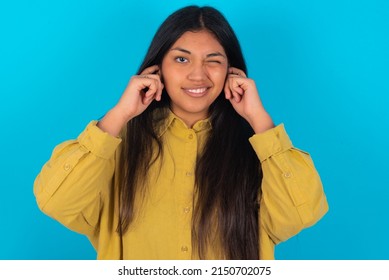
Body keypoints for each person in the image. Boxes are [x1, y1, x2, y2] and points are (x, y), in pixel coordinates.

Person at [33, 5, 328, 260]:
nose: (198, 75)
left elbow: (303, 212)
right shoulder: (116, 145)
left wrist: (259, 120)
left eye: (213, 60)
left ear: (232, 71)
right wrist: (119, 114)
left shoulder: (257, 151)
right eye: (182, 59)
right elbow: (56, 201)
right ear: (157, 67)